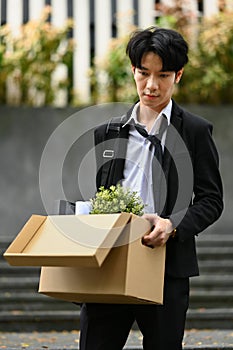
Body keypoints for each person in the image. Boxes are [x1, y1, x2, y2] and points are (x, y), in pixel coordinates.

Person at [79, 26, 223, 350]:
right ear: (133, 71)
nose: (152, 85)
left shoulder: (196, 132)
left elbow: (212, 200)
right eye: (143, 73)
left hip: (168, 271)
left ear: (179, 75)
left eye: (163, 75)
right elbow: (105, 197)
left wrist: (172, 226)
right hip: (111, 266)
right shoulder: (107, 133)